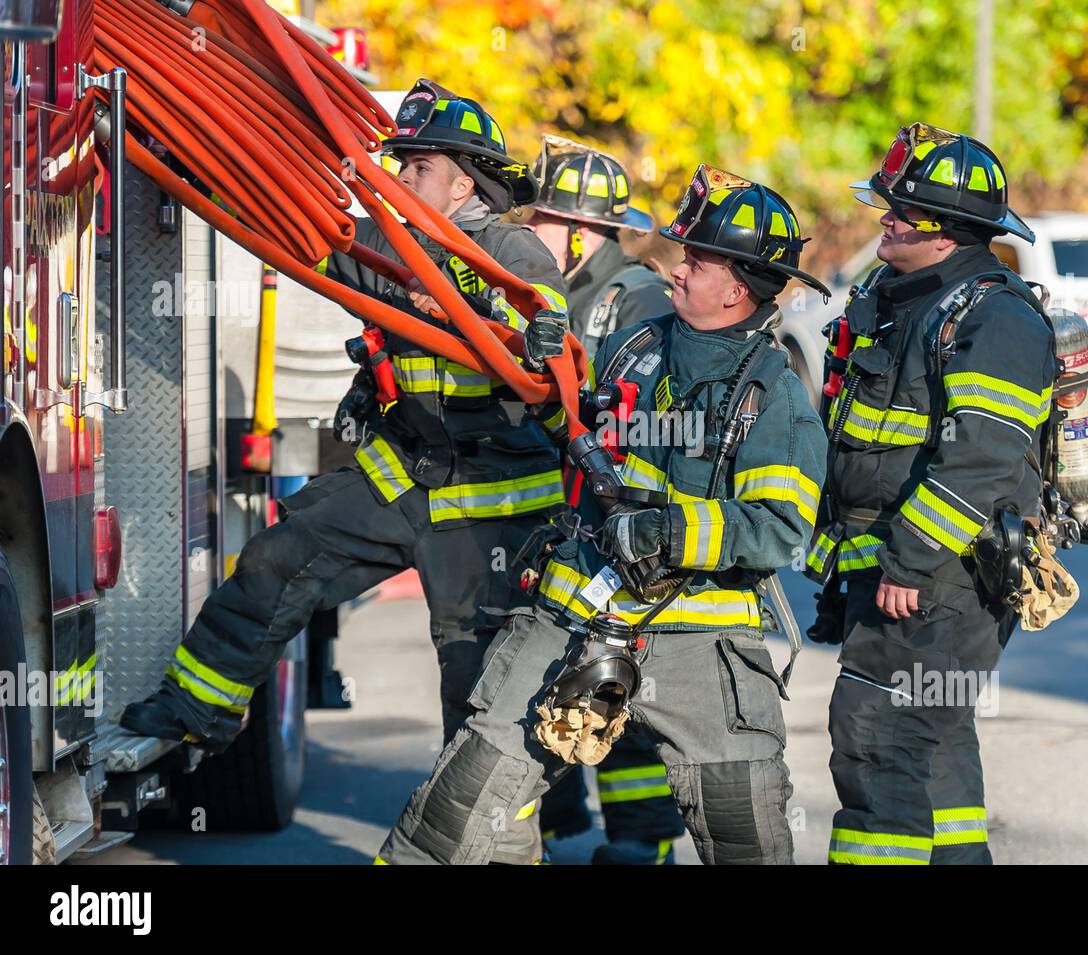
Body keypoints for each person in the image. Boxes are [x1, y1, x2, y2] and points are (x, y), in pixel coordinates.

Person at [120, 84, 568, 867]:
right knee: (276, 557)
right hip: (406, 471)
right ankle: (198, 709)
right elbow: (300, 235)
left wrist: (530, 337)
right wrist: (200, 164)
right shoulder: (388, 244)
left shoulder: (510, 252)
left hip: (490, 504)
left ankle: (501, 853)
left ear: (465, 182)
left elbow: (538, 347)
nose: (399, 176)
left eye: (417, 165)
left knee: (477, 701)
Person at [375, 164, 829, 865]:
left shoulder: (773, 396)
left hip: (697, 640)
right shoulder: (638, 344)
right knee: (458, 807)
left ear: (738, 288)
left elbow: (776, 526)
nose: (677, 271)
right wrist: (535, 367)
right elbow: (576, 425)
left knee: (746, 833)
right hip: (571, 617)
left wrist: (666, 533)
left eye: (695, 261)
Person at [806, 123, 1054, 865]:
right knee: (933, 744)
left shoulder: (996, 317)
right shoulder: (893, 295)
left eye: (900, 211)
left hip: (944, 578)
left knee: (878, 741)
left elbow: (980, 460)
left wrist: (909, 563)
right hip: (888, 571)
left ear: (946, 233)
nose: (884, 219)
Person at [522, 136, 682, 864]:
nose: (531, 234)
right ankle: (555, 826)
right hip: (561, 521)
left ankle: (641, 842)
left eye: (544, 222)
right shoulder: (563, 290)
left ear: (581, 231)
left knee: (618, 689)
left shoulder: (634, 295)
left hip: (614, 532)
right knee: (550, 683)